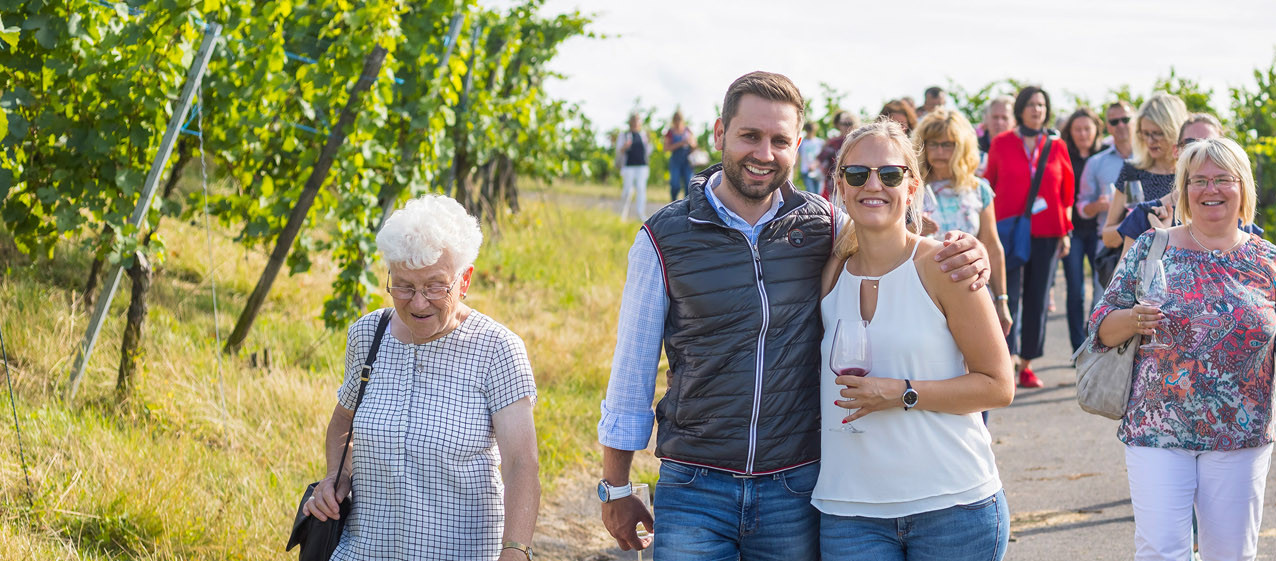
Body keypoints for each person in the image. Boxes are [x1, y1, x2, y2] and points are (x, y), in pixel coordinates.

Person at [595, 71, 991, 561]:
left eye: (780, 140)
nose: (764, 153)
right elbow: (630, 375)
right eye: (749, 136)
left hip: (794, 486)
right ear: (720, 135)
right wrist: (615, 487)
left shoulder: (824, 225)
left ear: (798, 146)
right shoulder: (663, 238)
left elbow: (889, 225)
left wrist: (968, 250)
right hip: (695, 485)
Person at [1088, 137, 1276, 561]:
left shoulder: (1269, 262)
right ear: (1183, 190)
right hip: (1157, 430)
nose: (1210, 190)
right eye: (1198, 180)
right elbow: (1100, 328)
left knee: (1230, 554)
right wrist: (1133, 319)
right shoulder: (1150, 248)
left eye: (1222, 180)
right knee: (1160, 551)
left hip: (1241, 435)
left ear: (1243, 189)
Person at [815, 119, 1016, 561]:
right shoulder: (829, 271)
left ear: (911, 187)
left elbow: (999, 386)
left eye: (889, 174)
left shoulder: (946, 265)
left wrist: (902, 393)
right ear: (840, 186)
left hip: (953, 508)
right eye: (857, 174)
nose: (874, 185)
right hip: (850, 513)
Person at [302, 194, 541, 561]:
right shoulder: (369, 334)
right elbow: (343, 421)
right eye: (403, 286)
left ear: (464, 280)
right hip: (364, 550)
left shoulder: (497, 349)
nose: (417, 302)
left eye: (434, 286)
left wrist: (515, 550)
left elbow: (521, 463)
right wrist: (338, 476)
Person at [981, 85, 1074, 389]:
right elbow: (988, 186)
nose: (1037, 110)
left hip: (1048, 231)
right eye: (1032, 104)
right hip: (1009, 230)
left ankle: (1028, 364)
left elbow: (1067, 190)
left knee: (1036, 299)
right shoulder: (1002, 143)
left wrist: (1066, 231)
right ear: (1020, 109)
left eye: (1042, 105)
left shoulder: (1056, 145)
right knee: (1008, 296)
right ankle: (1005, 359)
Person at [915, 108, 1014, 334]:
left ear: (962, 147)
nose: (940, 151)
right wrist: (911, 229)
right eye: (933, 143)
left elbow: (992, 246)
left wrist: (1002, 301)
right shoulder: (910, 188)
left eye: (948, 144)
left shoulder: (979, 190)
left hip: (971, 290)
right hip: (923, 293)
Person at [1101, 94, 1189, 252]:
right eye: (1145, 133)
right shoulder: (1133, 171)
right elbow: (1107, 238)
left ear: (1174, 131)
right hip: (1141, 269)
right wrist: (1137, 219)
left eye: (1158, 133)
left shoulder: (1192, 174)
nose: (1150, 140)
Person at [1058, 108, 1104, 350]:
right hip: (1073, 230)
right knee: (1075, 288)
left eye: (1087, 128)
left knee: (1101, 287)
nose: (1083, 133)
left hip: (1099, 230)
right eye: (1078, 129)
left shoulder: (1104, 155)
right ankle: (1078, 345)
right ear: (1070, 132)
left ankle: (1094, 339)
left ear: (1096, 129)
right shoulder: (1063, 155)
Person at [1078, 101, 1132, 298]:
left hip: (1147, 243)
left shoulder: (1150, 159)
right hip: (1109, 246)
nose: (1121, 126)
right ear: (1108, 127)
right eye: (1114, 121)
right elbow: (1082, 206)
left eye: (1125, 120)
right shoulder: (1096, 163)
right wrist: (1096, 206)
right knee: (1103, 305)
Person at [616, 114, 654, 220]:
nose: (635, 123)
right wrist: (625, 146)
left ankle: (640, 214)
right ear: (630, 122)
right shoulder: (624, 135)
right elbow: (619, 150)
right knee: (627, 191)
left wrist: (649, 142)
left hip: (642, 166)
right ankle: (622, 215)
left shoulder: (643, 135)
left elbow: (648, 151)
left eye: (637, 121)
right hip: (629, 166)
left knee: (641, 190)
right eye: (634, 120)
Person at [817, 110, 859, 202]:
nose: (847, 126)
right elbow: (821, 160)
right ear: (839, 125)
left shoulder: (860, 143)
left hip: (857, 185)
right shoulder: (833, 143)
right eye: (844, 123)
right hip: (835, 187)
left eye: (850, 123)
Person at [665, 110, 697, 202]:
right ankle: (673, 201)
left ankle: (686, 205)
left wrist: (691, 143)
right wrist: (681, 143)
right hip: (675, 161)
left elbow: (695, 145)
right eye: (676, 119)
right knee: (675, 184)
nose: (678, 121)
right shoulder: (670, 132)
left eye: (679, 119)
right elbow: (666, 148)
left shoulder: (688, 130)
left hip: (687, 161)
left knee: (688, 184)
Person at [977, 96, 1015, 161]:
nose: (999, 122)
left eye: (1004, 118)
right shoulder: (974, 148)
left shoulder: (1023, 148)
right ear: (986, 119)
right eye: (995, 117)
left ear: (1014, 122)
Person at [799, 120, 826, 193]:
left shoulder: (820, 142)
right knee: (810, 193)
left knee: (819, 194)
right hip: (806, 171)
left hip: (818, 171)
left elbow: (823, 157)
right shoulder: (802, 143)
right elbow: (798, 156)